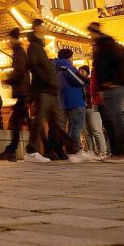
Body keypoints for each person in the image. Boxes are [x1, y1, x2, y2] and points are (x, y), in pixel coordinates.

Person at [24, 19, 88, 163]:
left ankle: (68, 149)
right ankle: (32, 151)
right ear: (37, 28)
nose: (44, 29)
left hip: (50, 90)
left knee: (56, 123)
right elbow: (34, 67)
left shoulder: (40, 47)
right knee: (41, 120)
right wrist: (46, 80)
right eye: (42, 27)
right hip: (43, 89)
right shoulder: (34, 47)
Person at [90, 22, 124, 163]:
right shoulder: (108, 45)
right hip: (112, 86)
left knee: (117, 119)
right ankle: (118, 151)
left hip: (113, 86)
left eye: (91, 32)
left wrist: (110, 81)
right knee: (113, 120)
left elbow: (107, 66)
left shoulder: (106, 46)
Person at [0, 28, 31, 162]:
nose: (8, 42)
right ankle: (42, 147)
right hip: (23, 92)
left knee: (16, 122)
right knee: (25, 122)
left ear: (13, 39)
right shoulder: (19, 51)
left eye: (9, 39)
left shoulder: (18, 52)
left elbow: (20, 72)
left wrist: (8, 80)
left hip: (22, 92)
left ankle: (12, 151)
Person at [55, 49, 89, 155]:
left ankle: (67, 149)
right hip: (75, 100)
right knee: (76, 126)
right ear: (69, 57)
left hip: (62, 101)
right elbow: (79, 81)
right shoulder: (66, 66)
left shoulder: (55, 67)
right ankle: (74, 150)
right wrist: (85, 80)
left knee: (69, 126)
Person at [79, 64, 107, 157]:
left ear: (87, 72)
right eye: (79, 71)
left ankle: (102, 151)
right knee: (87, 132)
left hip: (92, 107)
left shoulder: (91, 82)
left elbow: (93, 93)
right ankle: (91, 151)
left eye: (82, 71)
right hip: (83, 108)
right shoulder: (79, 83)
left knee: (96, 130)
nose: (80, 73)